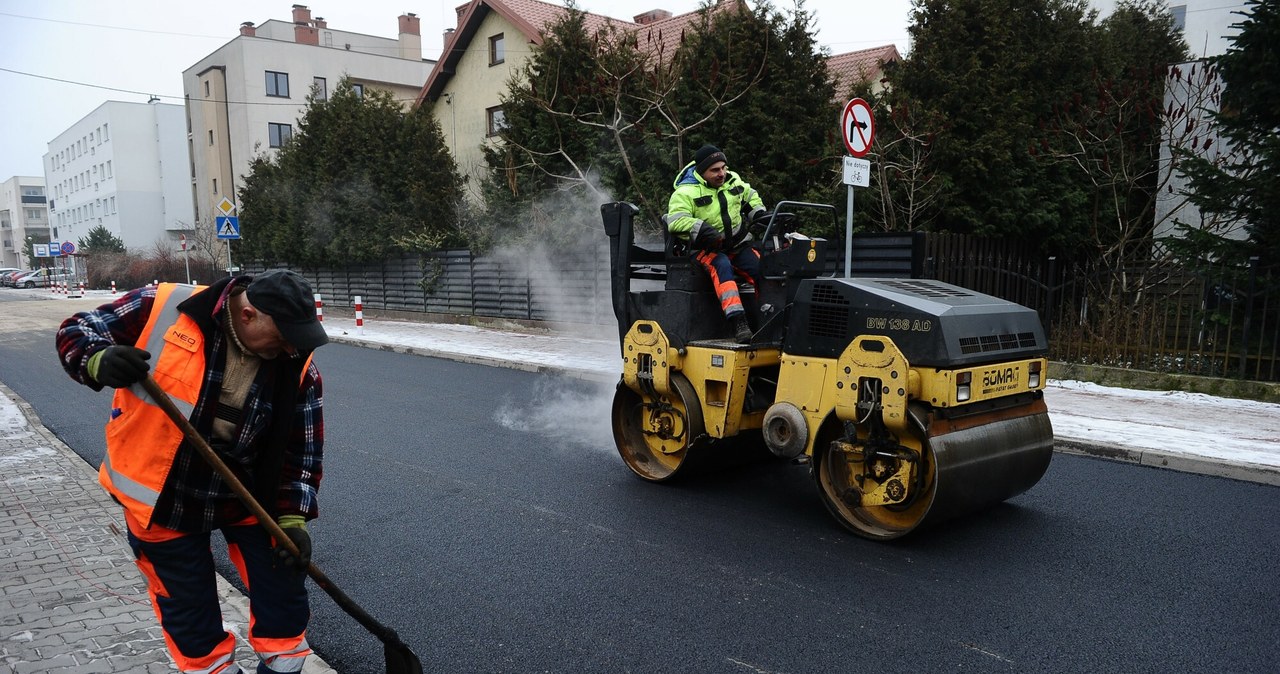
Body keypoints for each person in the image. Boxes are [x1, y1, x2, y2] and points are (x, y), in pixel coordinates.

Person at [55, 270, 329, 674]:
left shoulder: (296, 363)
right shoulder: (163, 307)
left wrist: (292, 517)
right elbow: (76, 330)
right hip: (163, 493)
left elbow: (302, 449)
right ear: (249, 314)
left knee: (283, 596)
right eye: (285, 332)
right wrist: (96, 358)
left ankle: (283, 665)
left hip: (247, 491)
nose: (291, 344)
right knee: (189, 612)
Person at [664, 144, 767, 343]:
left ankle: (767, 319)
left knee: (763, 269)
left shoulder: (733, 180)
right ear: (702, 172)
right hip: (705, 250)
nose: (722, 173)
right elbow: (675, 221)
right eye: (715, 170)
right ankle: (739, 322)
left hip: (736, 246)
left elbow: (750, 196)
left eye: (723, 167)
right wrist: (700, 228)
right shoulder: (685, 193)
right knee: (722, 266)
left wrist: (760, 213)